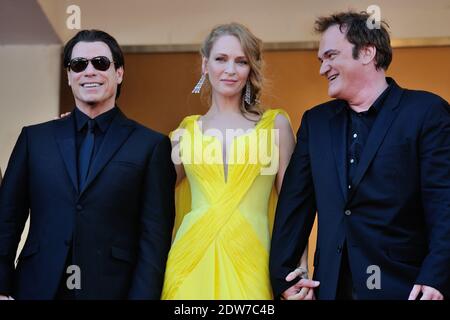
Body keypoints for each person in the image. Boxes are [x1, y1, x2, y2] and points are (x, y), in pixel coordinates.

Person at [270, 11, 450, 300]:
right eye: (321, 60)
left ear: (367, 52)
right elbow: (293, 207)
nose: (322, 68)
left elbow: (445, 202)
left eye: (330, 56)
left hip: (406, 288)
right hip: (331, 289)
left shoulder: (426, 112)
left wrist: (438, 276)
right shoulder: (315, 123)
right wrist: (284, 276)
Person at [0, 29, 176, 300]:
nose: (89, 71)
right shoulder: (34, 139)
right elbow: (7, 219)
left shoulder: (151, 146)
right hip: (36, 288)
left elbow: (154, 239)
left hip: (112, 291)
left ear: (119, 73)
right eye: (79, 64)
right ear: (69, 76)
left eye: (101, 63)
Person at [161, 23, 308, 300]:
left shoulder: (275, 125)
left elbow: (294, 207)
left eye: (241, 61)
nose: (230, 70)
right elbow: (144, 190)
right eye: (221, 59)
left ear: (251, 68)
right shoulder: (185, 132)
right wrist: (80, 134)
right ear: (205, 64)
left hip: (255, 261)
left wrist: (299, 271)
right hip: (190, 262)